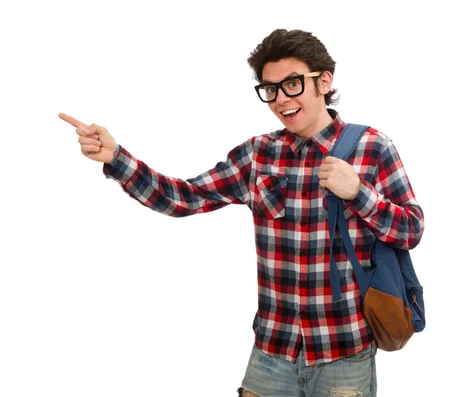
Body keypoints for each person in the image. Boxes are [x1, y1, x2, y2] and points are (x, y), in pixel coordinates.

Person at [59, 28, 424, 397]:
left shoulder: (372, 147)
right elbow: (184, 197)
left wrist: (359, 194)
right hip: (272, 350)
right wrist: (117, 159)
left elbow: (412, 229)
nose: (281, 99)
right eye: (271, 89)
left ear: (324, 81)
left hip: (345, 351)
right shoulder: (257, 155)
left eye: (293, 84)